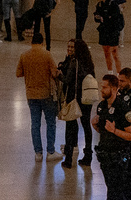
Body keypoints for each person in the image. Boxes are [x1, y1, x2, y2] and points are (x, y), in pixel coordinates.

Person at [93, 72, 131, 200]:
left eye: (104, 87)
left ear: (114, 89)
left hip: (119, 159)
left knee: (115, 194)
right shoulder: (101, 107)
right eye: (101, 87)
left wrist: (115, 130)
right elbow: (103, 131)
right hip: (105, 157)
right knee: (112, 189)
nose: (101, 90)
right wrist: (95, 126)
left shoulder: (123, 109)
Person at [16, 30, 61, 160]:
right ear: (42, 42)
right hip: (46, 94)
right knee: (50, 122)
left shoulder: (24, 55)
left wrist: (30, 73)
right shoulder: (46, 55)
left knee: (35, 124)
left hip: (31, 94)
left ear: (31, 42)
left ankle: (38, 153)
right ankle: (51, 152)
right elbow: (54, 73)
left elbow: (18, 73)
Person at [59, 38, 98, 168]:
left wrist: (58, 74)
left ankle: (69, 158)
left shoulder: (74, 62)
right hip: (87, 98)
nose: (69, 49)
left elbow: (67, 80)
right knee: (86, 125)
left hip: (74, 98)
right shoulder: (88, 62)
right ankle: (88, 156)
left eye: (72, 47)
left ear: (77, 49)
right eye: (68, 47)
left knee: (70, 126)